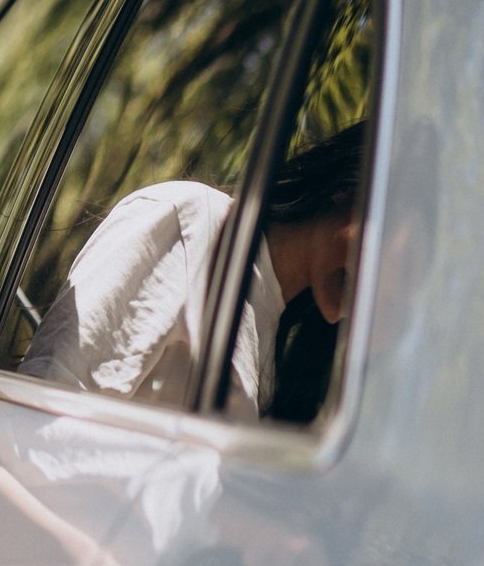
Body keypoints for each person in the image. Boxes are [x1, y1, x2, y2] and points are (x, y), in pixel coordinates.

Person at [20, 124, 363, 419]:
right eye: (402, 261)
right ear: (349, 189)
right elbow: (37, 416)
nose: (392, 290)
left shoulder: (273, 339)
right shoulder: (192, 225)